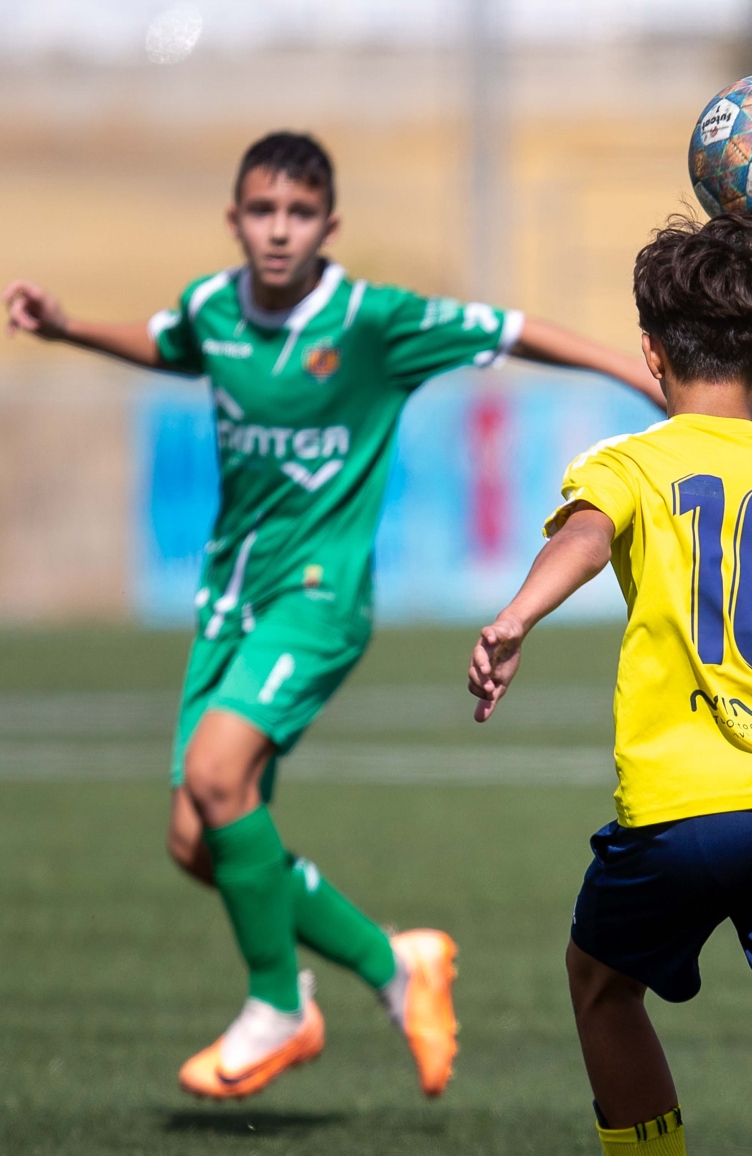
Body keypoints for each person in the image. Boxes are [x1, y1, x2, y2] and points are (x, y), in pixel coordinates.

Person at [4, 131, 664, 1103]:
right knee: (202, 840)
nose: (279, 230)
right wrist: (68, 329)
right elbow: (170, 344)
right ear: (235, 220)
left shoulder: (369, 321)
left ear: (329, 224)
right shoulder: (212, 309)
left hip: (319, 597)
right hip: (229, 602)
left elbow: (513, 327)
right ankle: (397, 964)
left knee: (217, 774)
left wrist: (634, 372)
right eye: (263, 212)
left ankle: (280, 1003)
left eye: (299, 213)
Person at [468, 212, 752, 1156]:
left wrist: (517, 614)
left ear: (651, 352)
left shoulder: (633, 463)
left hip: (681, 808)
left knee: (600, 982)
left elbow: (583, 536)